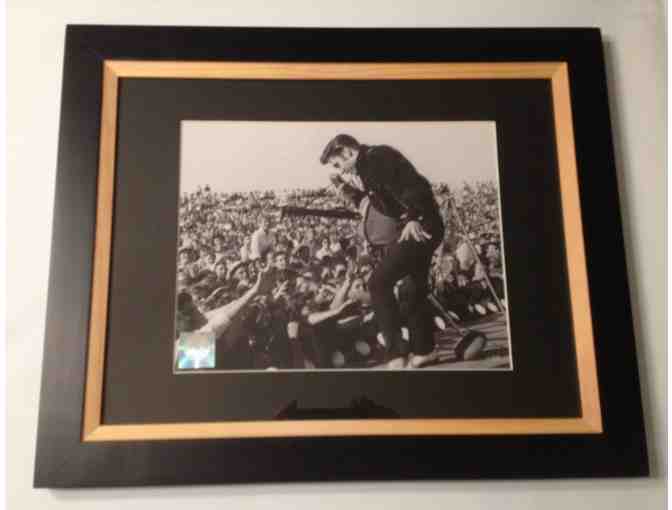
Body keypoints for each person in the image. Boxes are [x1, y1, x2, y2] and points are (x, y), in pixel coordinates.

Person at [320, 134, 445, 369]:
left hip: (420, 226)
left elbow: (415, 185)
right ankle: (424, 350)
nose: (341, 170)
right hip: (420, 225)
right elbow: (377, 203)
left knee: (378, 284)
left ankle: (396, 354)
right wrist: (343, 187)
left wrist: (413, 216)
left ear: (347, 151)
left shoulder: (377, 157)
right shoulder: (367, 168)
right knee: (411, 289)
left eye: (338, 164)